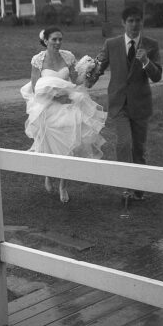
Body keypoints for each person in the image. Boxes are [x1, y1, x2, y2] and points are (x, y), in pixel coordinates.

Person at [85, 6, 163, 206]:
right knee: (123, 143)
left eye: (138, 20)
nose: (135, 24)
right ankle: (125, 187)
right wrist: (89, 77)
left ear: (142, 22)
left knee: (139, 148)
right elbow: (99, 67)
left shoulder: (151, 45)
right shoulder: (112, 44)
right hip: (119, 104)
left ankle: (139, 189)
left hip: (141, 104)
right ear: (123, 23)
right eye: (131, 21)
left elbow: (157, 76)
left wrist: (146, 61)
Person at [20, 27, 106, 203]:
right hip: (48, 106)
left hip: (68, 104)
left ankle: (63, 184)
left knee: (69, 143)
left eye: (60, 39)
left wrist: (88, 71)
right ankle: (49, 173)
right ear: (45, 41)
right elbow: (36, 87)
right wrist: (56, 97)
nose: (58, 43)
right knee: (48, 142)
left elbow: (75, 82)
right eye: (54, 39)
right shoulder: (38, 60)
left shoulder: (68, 56)